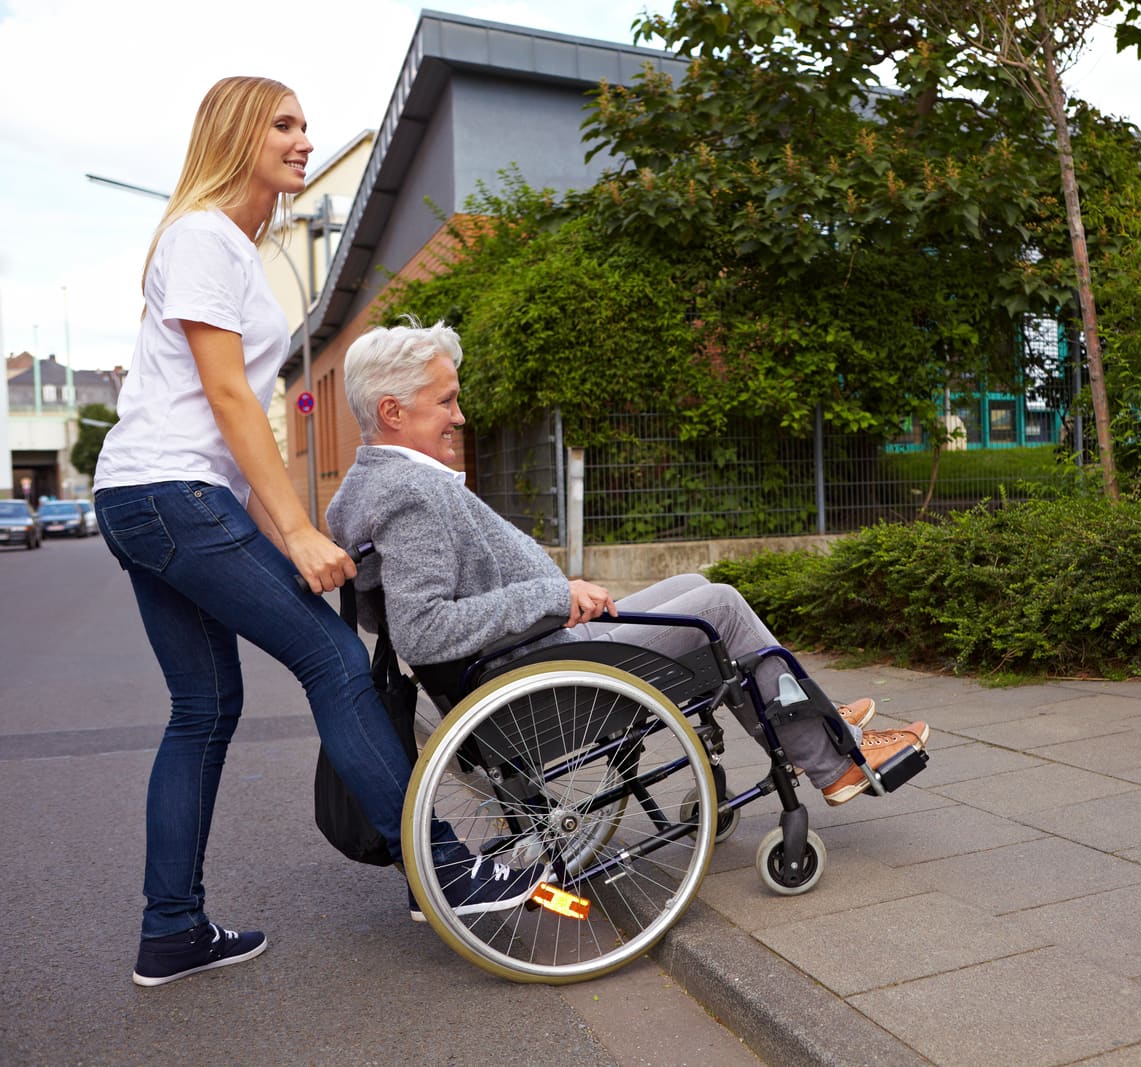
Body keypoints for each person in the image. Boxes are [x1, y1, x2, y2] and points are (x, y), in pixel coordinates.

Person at [93, 78, 541, 989]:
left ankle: (171, 930)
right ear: (235, 134)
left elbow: (226, 430)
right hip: (170, 495)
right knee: (335, 660)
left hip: (155, 496)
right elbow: (227, 402)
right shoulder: (205, 238)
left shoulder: (229, 247)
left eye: (306, 125)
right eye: (285, 124)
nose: (304, 140)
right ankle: (443, 873)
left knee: (203, 708)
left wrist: (292, 528)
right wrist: (294, 530)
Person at [325, 320, 928, 804]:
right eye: (446, 401)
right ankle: (833, 758)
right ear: (393, 412)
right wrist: (553, 598)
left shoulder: (369, 487)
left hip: (531, 660)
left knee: (696, 583)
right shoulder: (411, 495)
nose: (460, 417)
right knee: (717, 608)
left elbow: (397, 618)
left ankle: (805, 716)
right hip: (538, 685)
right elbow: (421, 628)